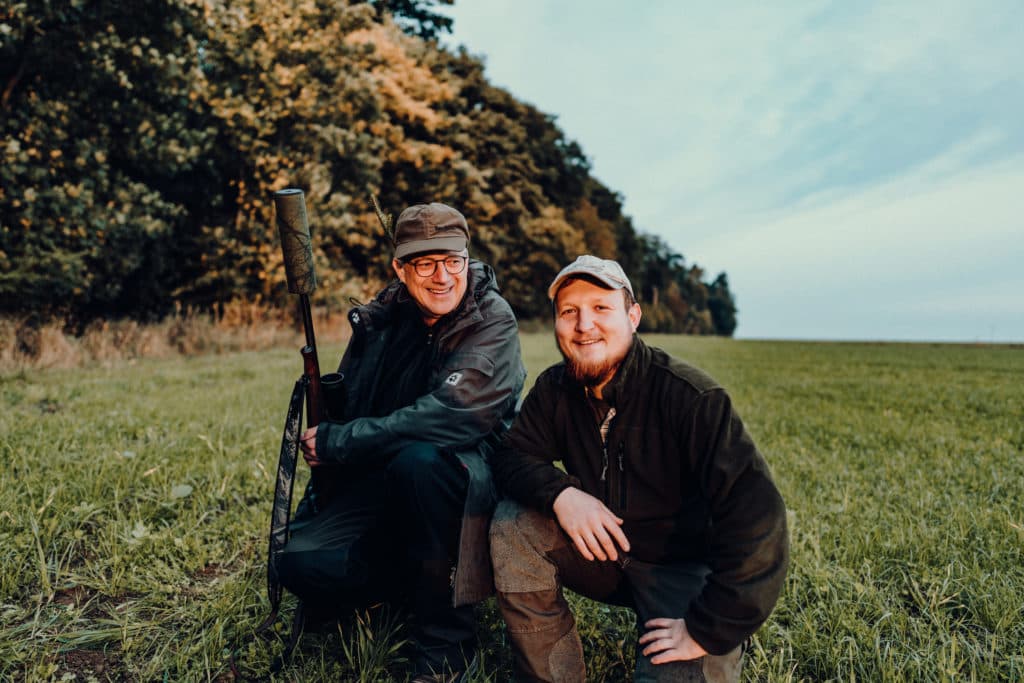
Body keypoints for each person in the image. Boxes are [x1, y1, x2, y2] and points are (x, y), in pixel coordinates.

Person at [489, 255, 789, 682]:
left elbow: (759, 518)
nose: (583, 324)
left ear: (633, 316)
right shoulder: (555, 389)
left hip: (683, 570)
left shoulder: (692, 397)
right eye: (569, 311)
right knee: (512, 524)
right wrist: (562, 494)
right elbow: (510, 455)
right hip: (605, 555)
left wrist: (708, 629)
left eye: (601, 308)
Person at [278, 202, 526, 682]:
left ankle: (447, 643)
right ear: (400, 268)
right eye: (424, 263)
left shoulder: (492, 319)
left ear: (466, 256)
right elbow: (352, 411)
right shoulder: (383, 317)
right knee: (302, 566)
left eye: (452, 260)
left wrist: (340, 441)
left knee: (421, 462)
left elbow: (453, 417)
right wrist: (319, 499)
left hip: (468, 489)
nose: (441, 277)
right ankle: (408, 583)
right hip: (385, 481)